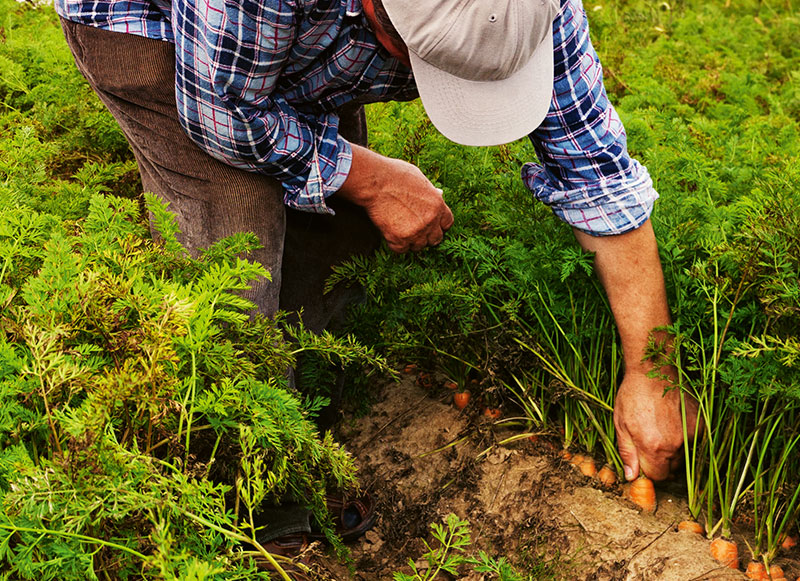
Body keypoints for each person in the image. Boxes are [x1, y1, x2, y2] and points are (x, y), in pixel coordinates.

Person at [55, 0, 698, 560]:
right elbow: (223, 115)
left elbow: (598, 173)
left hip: (292, 40)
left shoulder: (532, 9)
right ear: (375, 16)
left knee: (339, 240)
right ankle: (252, 516)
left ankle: (308, 444)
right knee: (237, 265)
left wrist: (652, 370)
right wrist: (376, 178)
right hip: (156, 31)